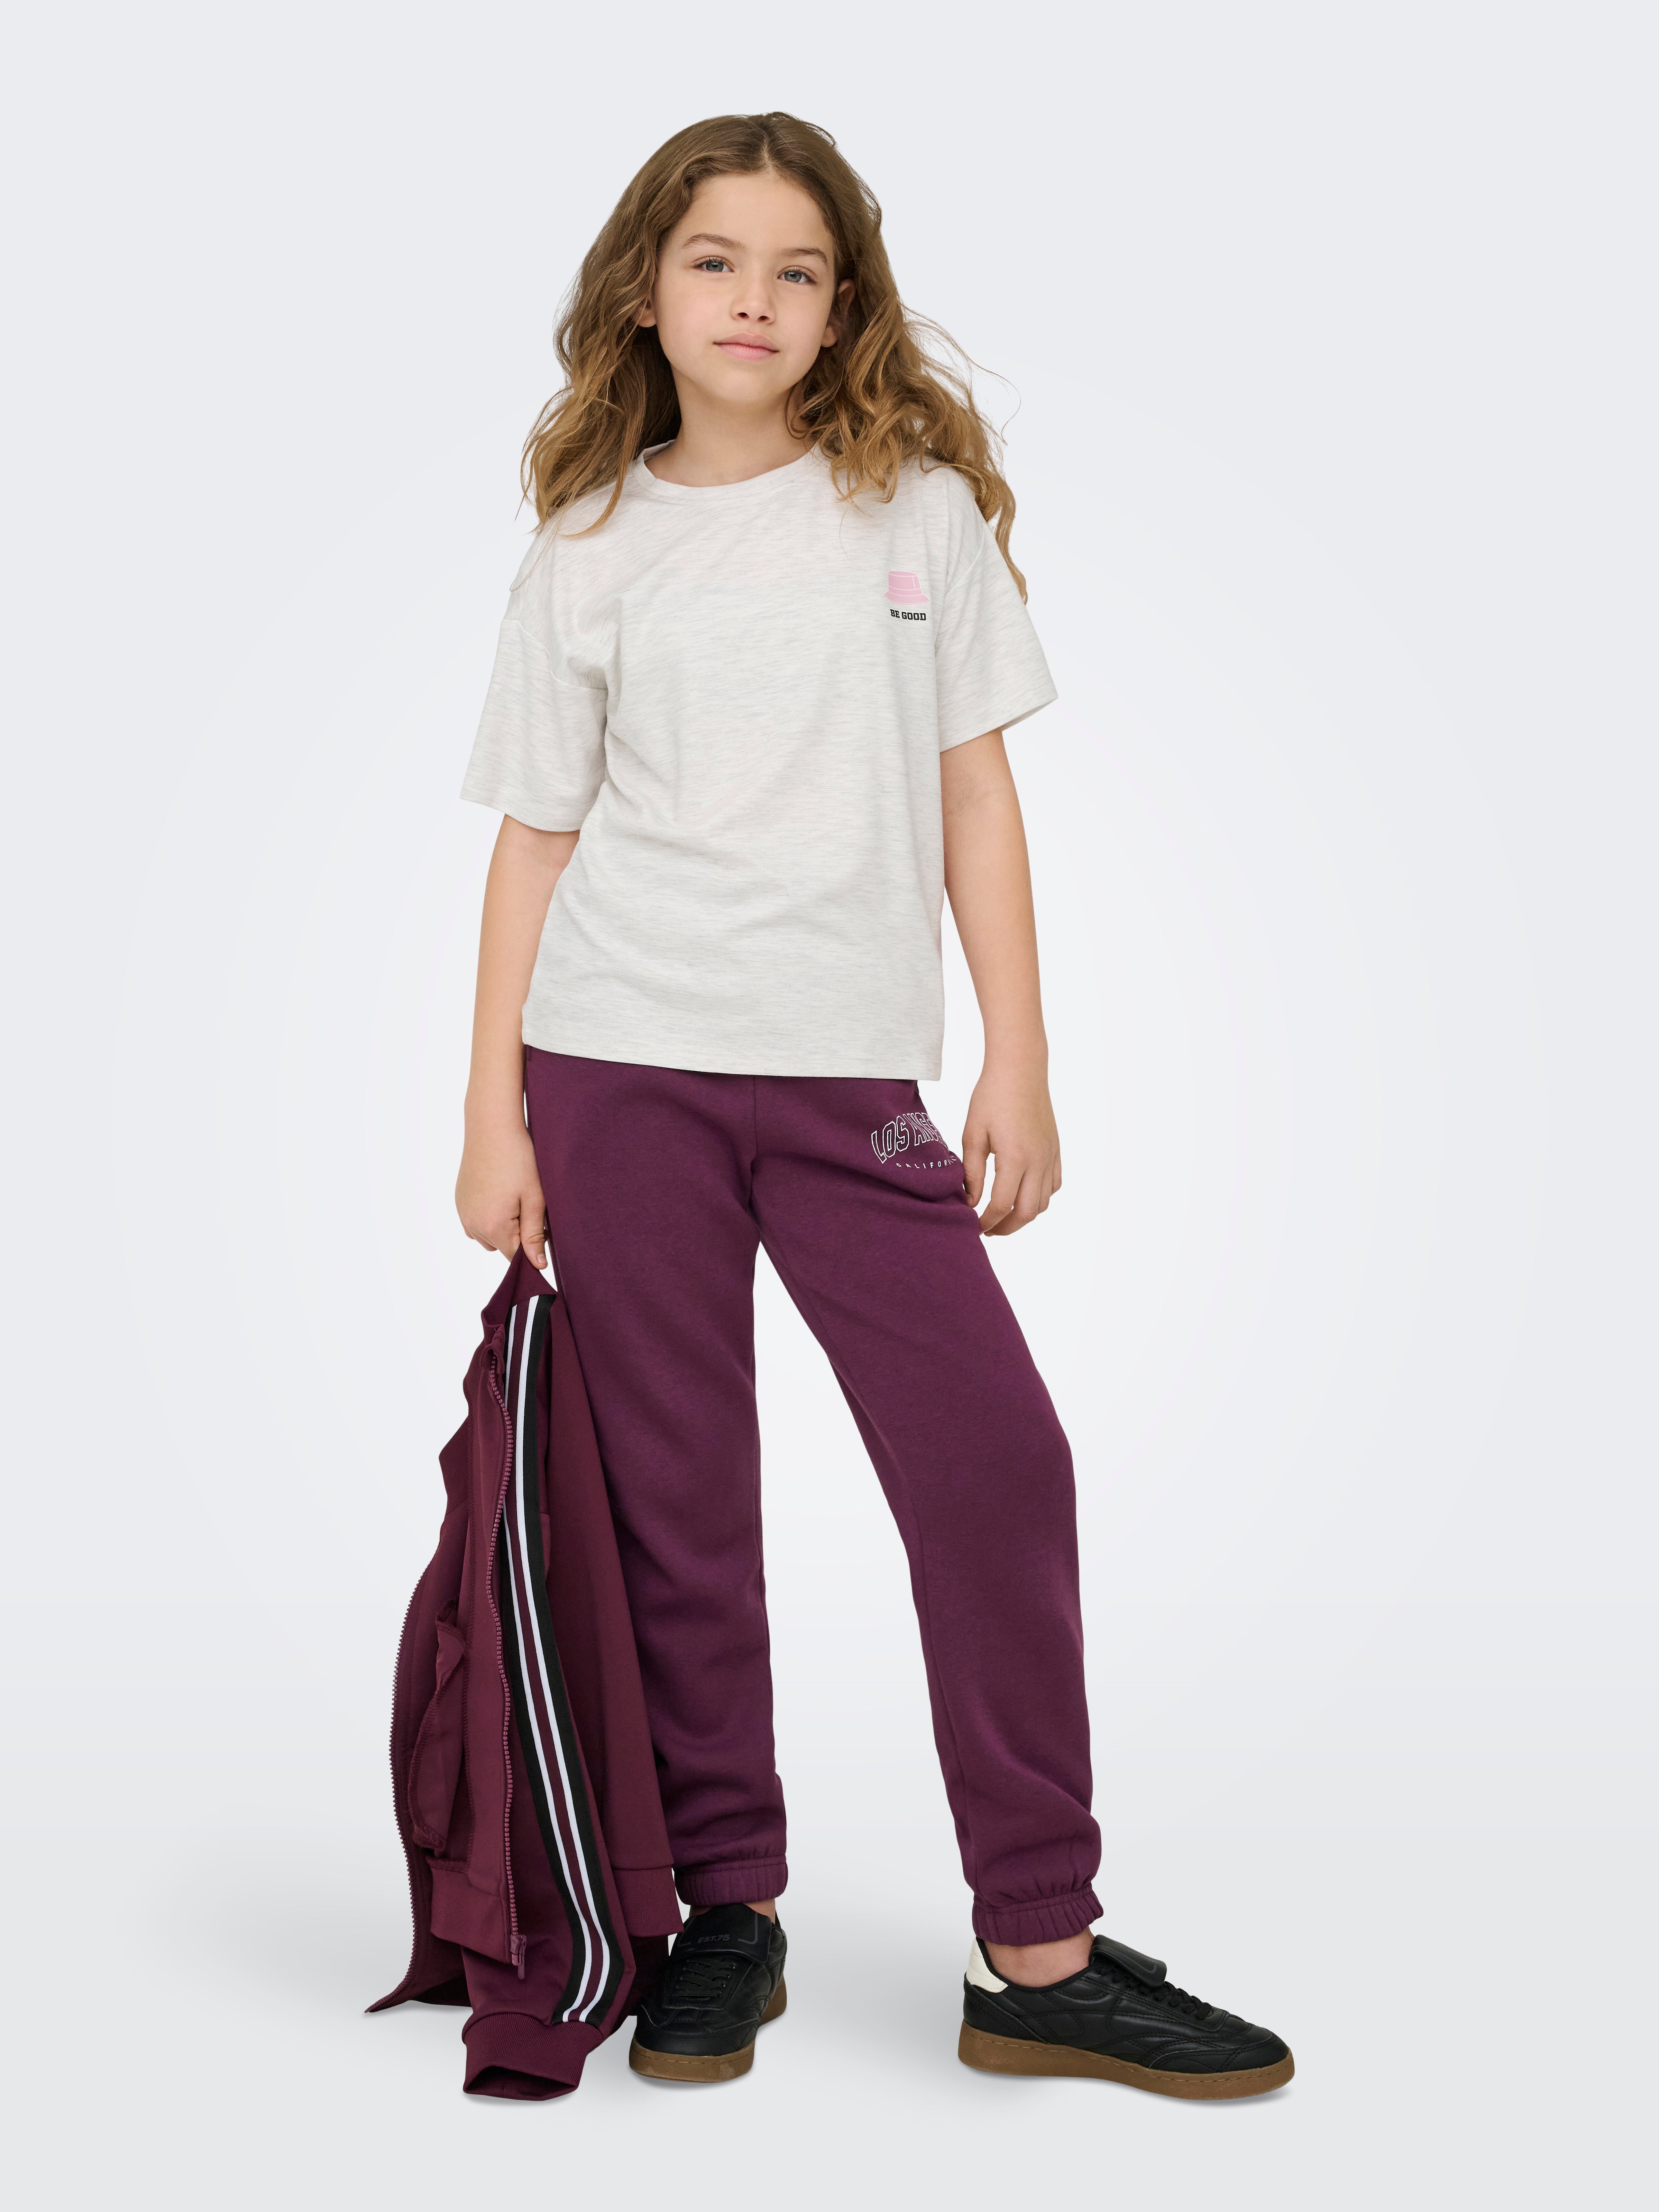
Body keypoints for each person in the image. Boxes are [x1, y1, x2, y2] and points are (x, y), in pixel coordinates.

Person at [454, 111, 1292, 2099]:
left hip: (853, 1088)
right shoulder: (587, 546)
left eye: (797, 269)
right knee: (680, 1506)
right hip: (621, 1070)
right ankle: (725, 1912)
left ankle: (1037, 1946)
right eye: (715, 260)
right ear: (644, 292)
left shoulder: (907, 510)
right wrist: (493, 1115)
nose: (754, 298)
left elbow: (975, 791)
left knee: (998, 1465)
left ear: (843, 310)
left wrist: (1023, 1052)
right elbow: (534, 843)